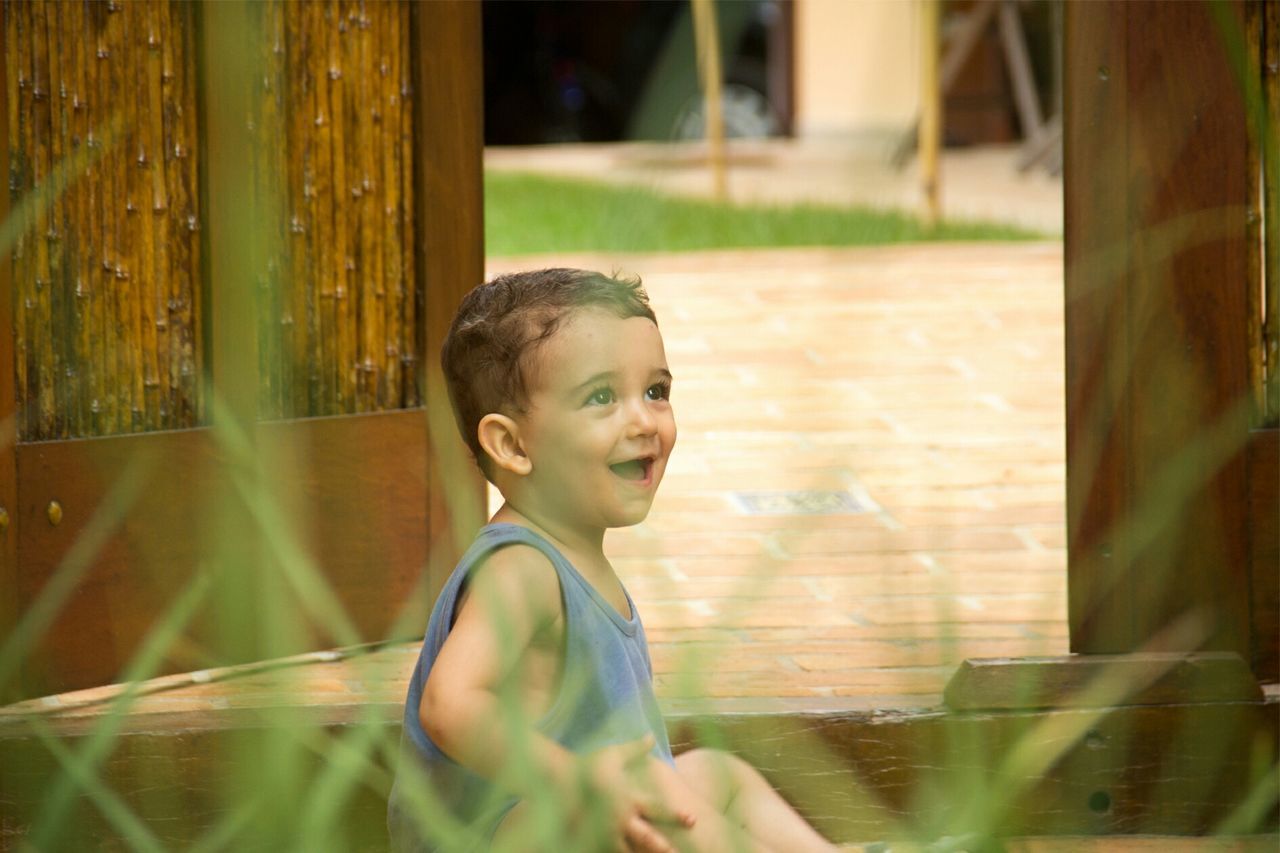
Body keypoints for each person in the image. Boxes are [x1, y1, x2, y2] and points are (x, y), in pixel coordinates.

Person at [389, 269, 837, 852]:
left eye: (656, 391)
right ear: (513, 446)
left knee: (715, 777)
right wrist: (576, 780)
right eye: (601, 397)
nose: (644, 421)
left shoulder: (568, 555)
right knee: (645, 782)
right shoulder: (521, 567)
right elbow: (448, 704)